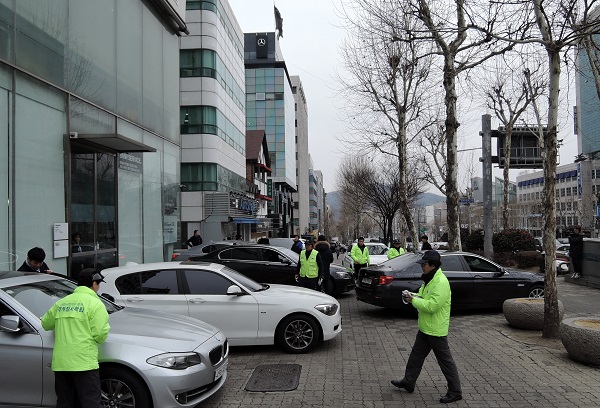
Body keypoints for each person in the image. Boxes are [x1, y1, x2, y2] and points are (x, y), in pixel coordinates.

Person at [391, 250, 462, 404]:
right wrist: (411, 295)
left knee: (445, 361)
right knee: (416, 356)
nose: (422, 267)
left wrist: (413, 301)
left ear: (433, 265)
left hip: (436, 330)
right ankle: (408, 382)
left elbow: (433, 306)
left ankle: (456, 391)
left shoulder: (441, 282)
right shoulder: (429, 279)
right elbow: (424, 298)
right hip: (425, 327)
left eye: (424, 264)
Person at [41, 268, 110, 408]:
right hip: (84, 364)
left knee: (65, 402)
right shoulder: (95, 304)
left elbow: (46, 324)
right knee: (90, 402)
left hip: (61, 364)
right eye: (99, 283)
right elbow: (100, 335)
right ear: (94, 283)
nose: (99, 287)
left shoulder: (62, 303)